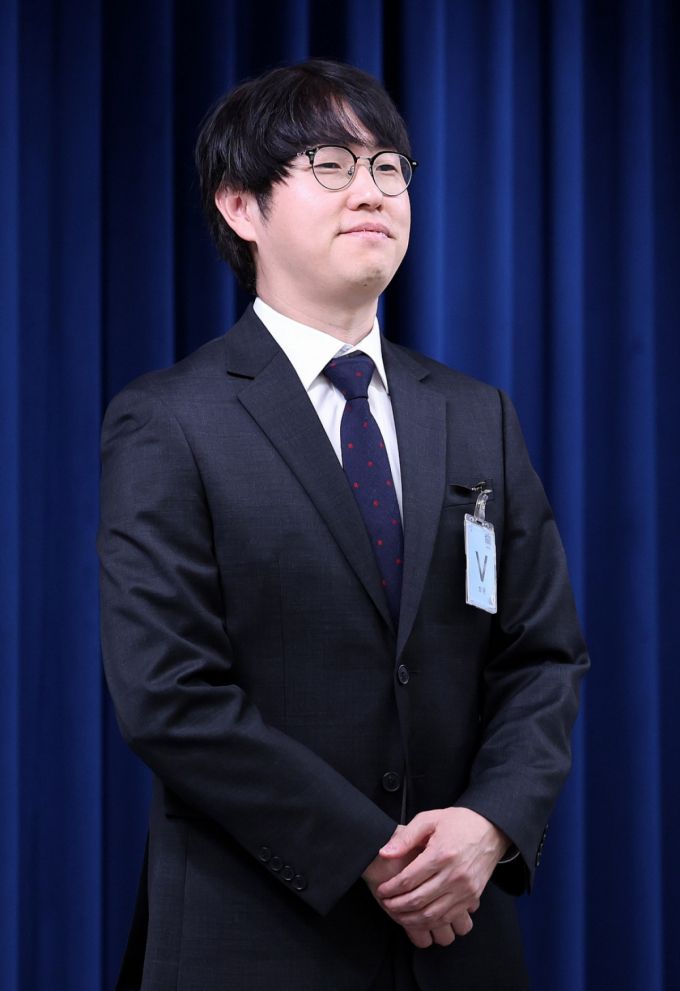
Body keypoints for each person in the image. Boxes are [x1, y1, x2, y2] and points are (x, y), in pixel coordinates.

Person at [98, 59, 589, 991]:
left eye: (388, 167)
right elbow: (169, 694)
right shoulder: (169, 420)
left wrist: (489, 823)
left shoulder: (475, 413)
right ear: (240, 206)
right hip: (255, 940)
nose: (371, 191)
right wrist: (371, 851)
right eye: (330, 163)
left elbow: (543, 655)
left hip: (460, 940)